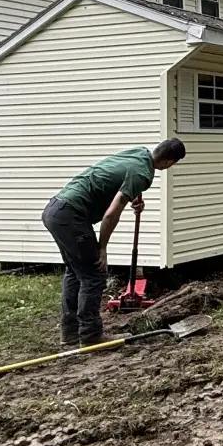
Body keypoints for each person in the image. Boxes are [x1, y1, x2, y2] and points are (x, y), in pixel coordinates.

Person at [41, 139, 186, 346]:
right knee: (94, 274)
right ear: (170, 162)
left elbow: (117, 174)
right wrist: (102, 247)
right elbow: (111, 214)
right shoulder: (142, 174)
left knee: (75, 272)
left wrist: (134, 196)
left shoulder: (139, 153)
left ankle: (70, 333)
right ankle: (91, 335)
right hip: (71, 216)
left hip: (55, 210)